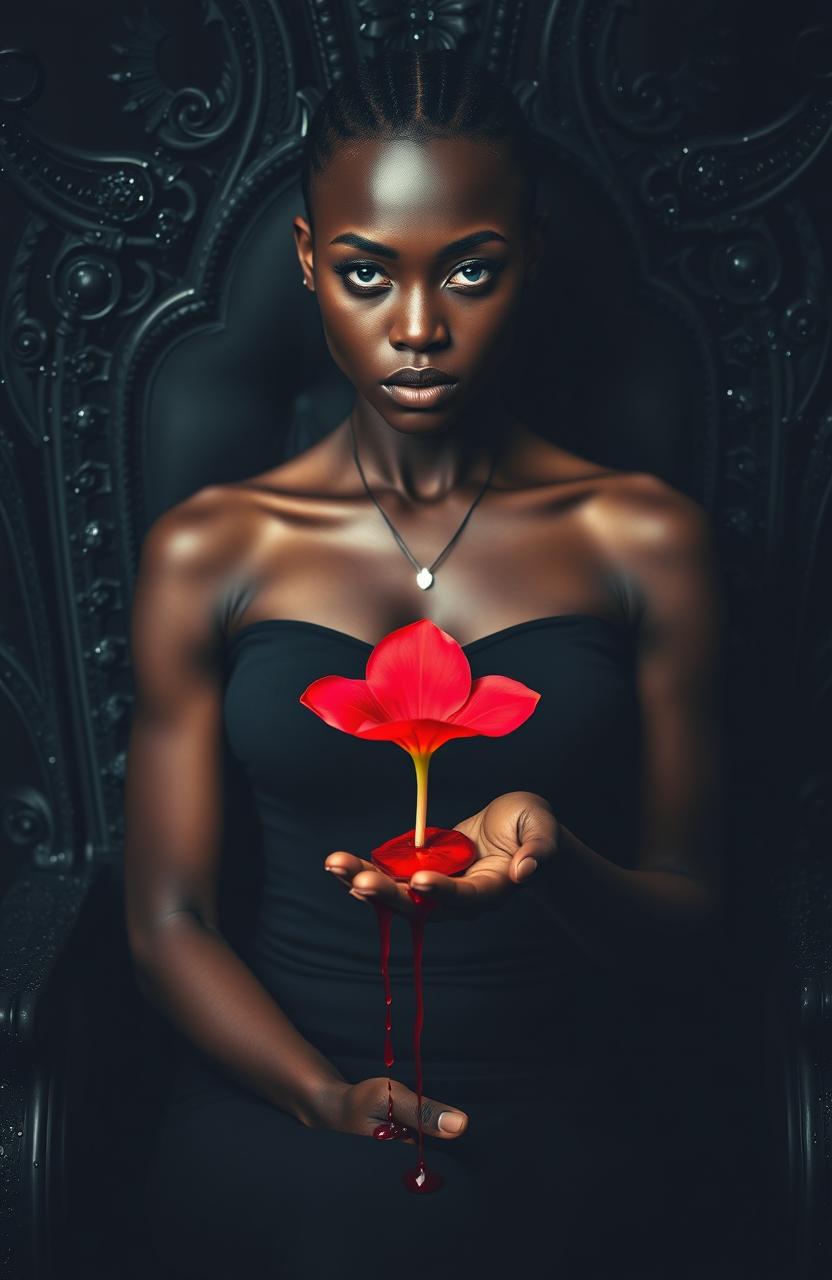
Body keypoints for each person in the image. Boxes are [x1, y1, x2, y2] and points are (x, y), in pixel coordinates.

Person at [127, 49, 762, 1280]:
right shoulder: (212, 549)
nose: (418, 329)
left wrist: (552, 857)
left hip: (567, 1098)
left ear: (530, 253)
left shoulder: (641, 539)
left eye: (470, 270)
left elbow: (695, 914)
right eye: (367, 275)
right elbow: (168, 917)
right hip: (280, 1100)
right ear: (311, 261)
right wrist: (320, 1093)